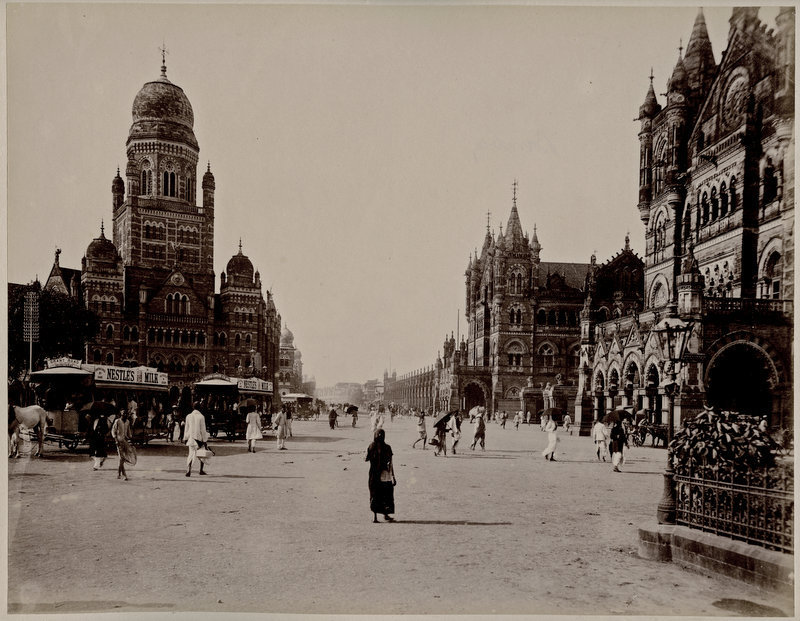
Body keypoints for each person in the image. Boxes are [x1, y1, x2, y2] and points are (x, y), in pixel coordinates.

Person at [365, 429, 396, 523]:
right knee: (386, 494)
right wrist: (393, 476)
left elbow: (365, 458)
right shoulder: (387, 447)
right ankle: (385, 514)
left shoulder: (371, 446)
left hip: (374, 474)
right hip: (384, 474)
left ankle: (375, 517)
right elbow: (391, 463)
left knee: (375, 494)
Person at [183, 402, 209, 477]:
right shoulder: (201, 417)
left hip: (191, 439)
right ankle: (201, 470)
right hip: (199, 439)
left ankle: (189, 470)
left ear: (193, 407)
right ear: (200, 408)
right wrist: (205, 440)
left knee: (191, 454)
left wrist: (185, 438)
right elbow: (203, 430)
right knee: (202, 454)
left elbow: (186, 428)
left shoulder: (188, 416)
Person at [111, 410, 134, 481]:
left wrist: (130, 438)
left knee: (123, 458)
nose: (125, 415)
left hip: (125, 442)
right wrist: (116, 440)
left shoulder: (127, 422)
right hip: (119, 442)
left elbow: (128, 432)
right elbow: (113, 431)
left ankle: (119, 473)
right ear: (121, 414)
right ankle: (123, 475)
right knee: (122, 458)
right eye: (124, 414)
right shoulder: (117, 421)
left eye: (126, 414)